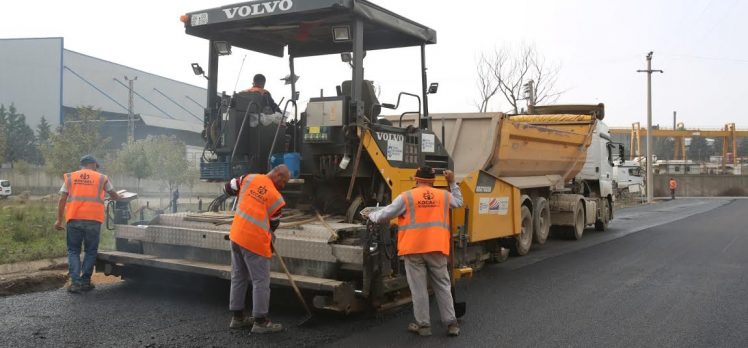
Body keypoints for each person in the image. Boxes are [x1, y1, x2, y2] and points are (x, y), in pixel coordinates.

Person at [365, 166, 463, 337]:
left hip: (414, 249)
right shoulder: (443, 196)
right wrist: (452, 182)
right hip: (437, 248)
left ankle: (424, 326)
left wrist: (370, 215)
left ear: (416, 179)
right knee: (442, 286)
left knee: (419, 289)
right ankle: (451, 324)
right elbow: (459, 202)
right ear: (433, 181)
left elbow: (384, 215)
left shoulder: (407, 197)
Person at [224, 165, 290, 334]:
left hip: (236, 236)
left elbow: (228, 187)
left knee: (238, 277)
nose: (284, 185)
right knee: (260, 281)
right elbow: (274, 224)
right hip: (254, 243)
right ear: (277, 174)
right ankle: (260, 322)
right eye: (284, 181)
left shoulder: (248, 178)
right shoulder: (275, 197)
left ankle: (237, 318)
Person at [54, 155, 120, 293]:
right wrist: (116, 197)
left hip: (74, 219)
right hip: (93, 220)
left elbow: (62, 199)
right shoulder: (102, 178)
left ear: (82, 165)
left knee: (73, 251)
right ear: (93, 164)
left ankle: (75, 283)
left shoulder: (71, 177)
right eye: (96, 166)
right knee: (90, 251)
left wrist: (59, 220)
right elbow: (114, 195)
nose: (97, 168)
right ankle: (85, 282)